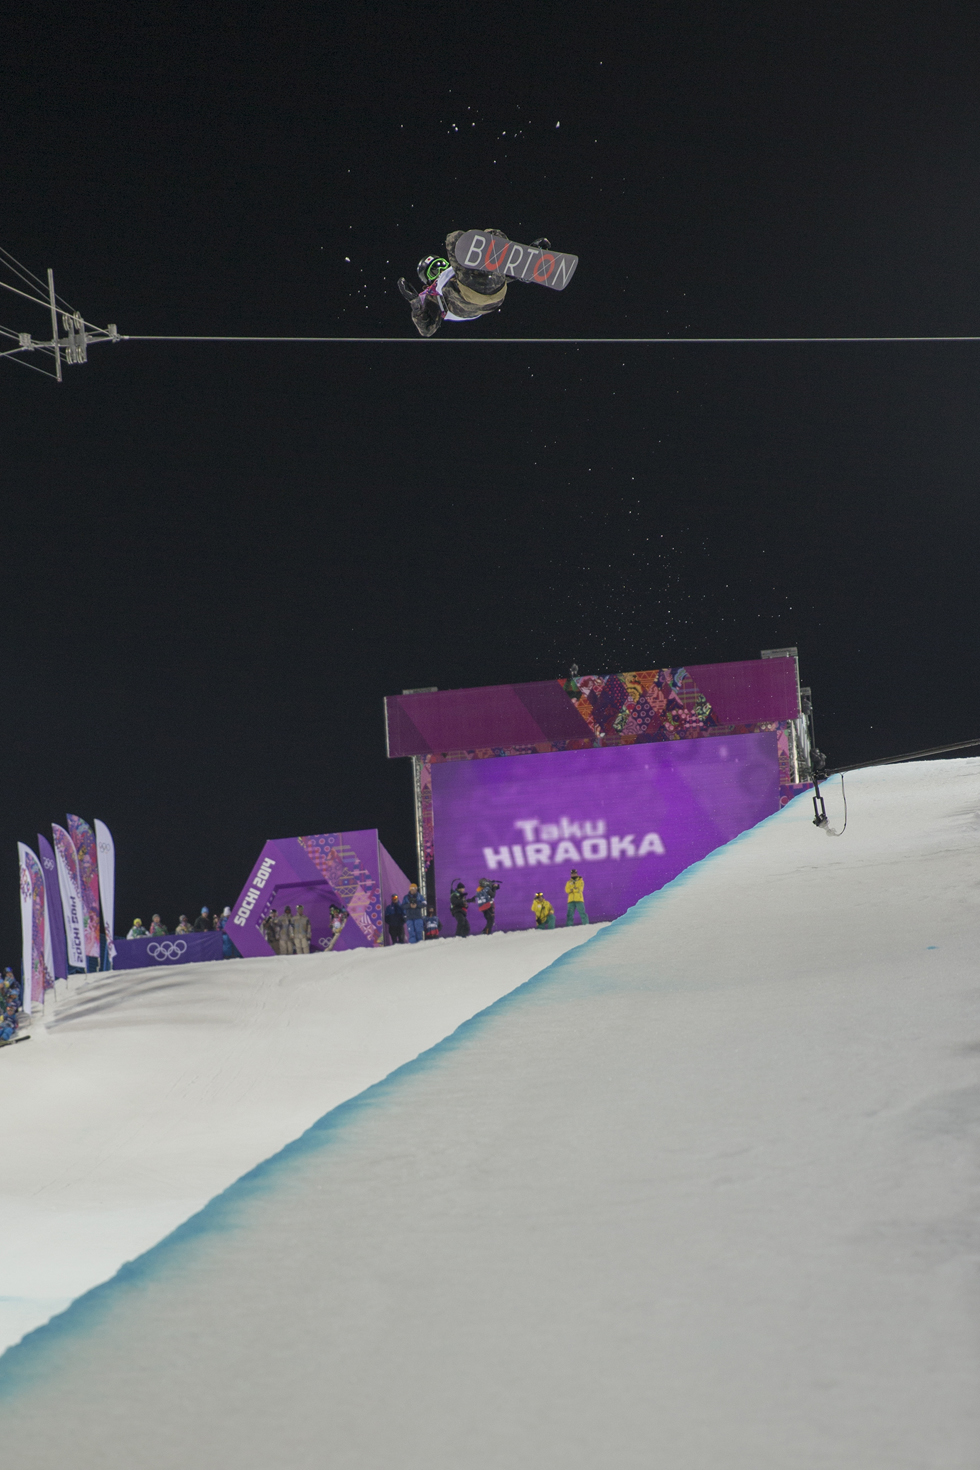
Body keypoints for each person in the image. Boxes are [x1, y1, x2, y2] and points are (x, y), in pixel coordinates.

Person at [397, 229, 551, 337]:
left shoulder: (455, 271)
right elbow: (427, 330)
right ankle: (521, 266)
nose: (442, 270)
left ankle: (523, 265)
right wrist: (416, 303)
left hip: (495, 296)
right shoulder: (432, 295)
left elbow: (490, 280)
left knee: (492, 235)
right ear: (427, 280)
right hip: (465, 297)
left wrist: (527, 259)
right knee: (454, 238)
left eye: (442, 264)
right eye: (433, 271)